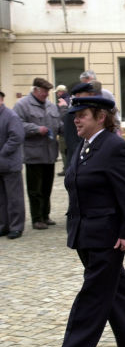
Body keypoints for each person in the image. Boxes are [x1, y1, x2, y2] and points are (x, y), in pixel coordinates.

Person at [37, 96, 125, 347]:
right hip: (85, 233)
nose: (76, 120)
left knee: (92, 297)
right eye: (75, 115)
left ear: (101, 117)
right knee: (115, 292)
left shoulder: (114, 146)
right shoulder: (83, 146)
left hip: (107, 237)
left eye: (82, 115)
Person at [13, 77, 65, 230]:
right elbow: (17, 125)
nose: (46, 95)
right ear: (35, 90)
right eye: (43, 92)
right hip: (33, 154)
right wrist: (36, 129)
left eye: (48, 92)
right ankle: (36, 218)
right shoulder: (22, 105)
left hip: (50, 154)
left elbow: (58, 125)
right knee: (35, 189)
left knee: (47, 188)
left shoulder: (50, 106)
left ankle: (45, 215)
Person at [0, 91, 25, 240]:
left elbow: (17, 137)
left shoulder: (11, 116)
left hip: (10, 164)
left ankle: (16, 227)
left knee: (14, 198)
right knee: (1, 199)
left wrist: (2, 152)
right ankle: (4, 225)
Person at [55, 85, 70, 176]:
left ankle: (66, 169)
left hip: (63, 131)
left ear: (61, 92)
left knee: (64, 151)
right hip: (70, 130)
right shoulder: (70, 99)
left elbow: (62, 117)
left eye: (57, 92)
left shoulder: (62, 101)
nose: (57, 94)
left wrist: (59, 128)